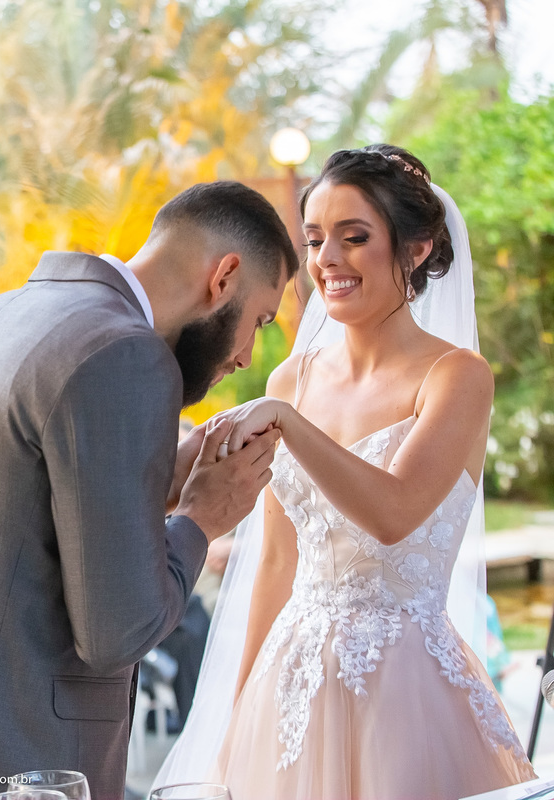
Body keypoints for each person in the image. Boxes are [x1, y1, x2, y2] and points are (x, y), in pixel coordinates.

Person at [0, 180, 297, 800]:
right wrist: (200, 518)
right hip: (22, 757)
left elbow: (15, 513)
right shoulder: (128, 354)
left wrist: (160, 482)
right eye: (260, 320)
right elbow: (119, 632)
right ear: (224, 277)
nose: (246, 355)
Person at [155, 145, 536, 799]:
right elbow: (275, 563)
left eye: (354, 238)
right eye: (315, 239)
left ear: (415, 250)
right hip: (292, 688)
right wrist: (239, 714)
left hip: (406, 696)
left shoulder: (457, 377)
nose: (327, 260)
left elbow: (394, 512)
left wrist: (289, 425)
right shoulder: (292, 378)